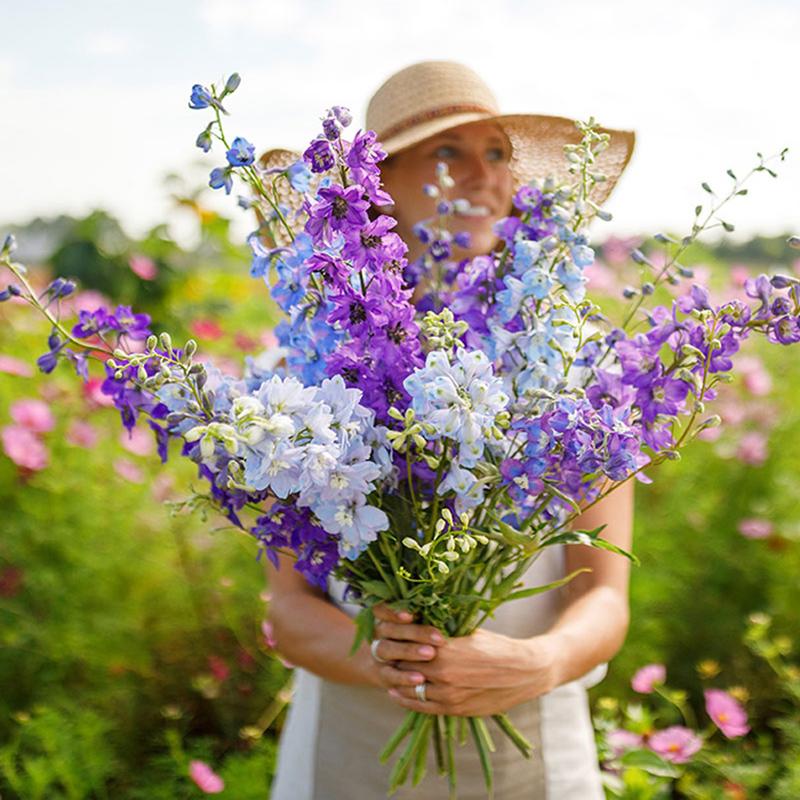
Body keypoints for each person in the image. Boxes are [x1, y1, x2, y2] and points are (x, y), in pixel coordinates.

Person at [267, 61, 636, 799]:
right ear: (377, 188)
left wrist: (540, 662)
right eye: (447, 152)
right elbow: (285, 610)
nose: (482, 176)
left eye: (496, 153)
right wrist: (384, 660)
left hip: (534, 727)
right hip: (353, 746)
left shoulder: (569, 359)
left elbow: (607, 595)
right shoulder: (310, 369)